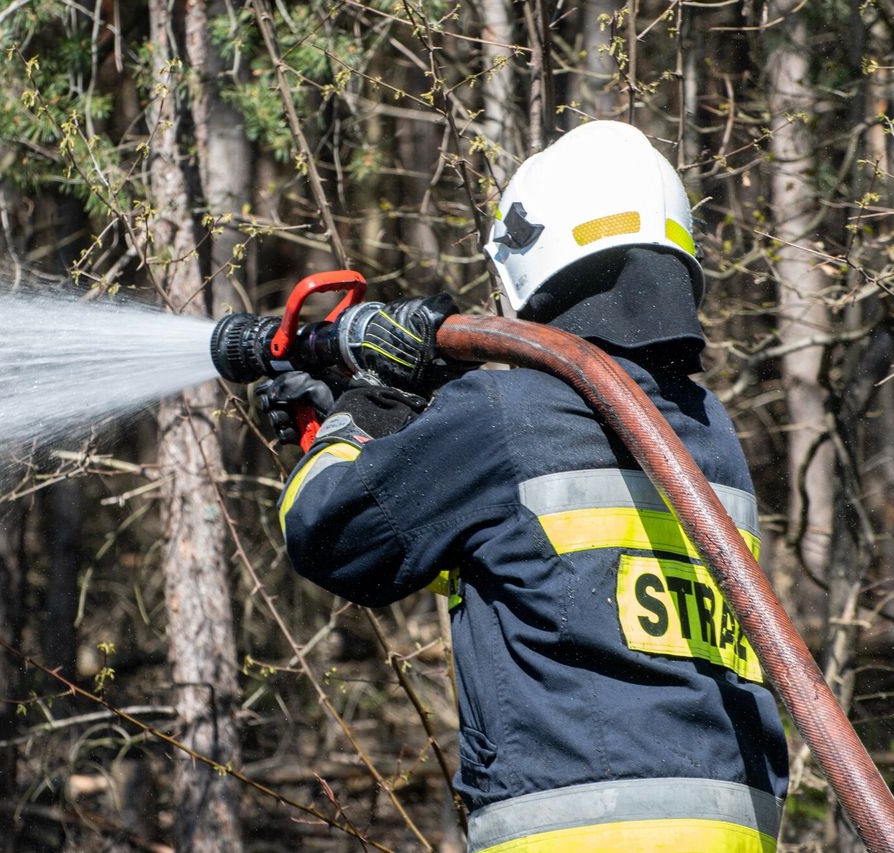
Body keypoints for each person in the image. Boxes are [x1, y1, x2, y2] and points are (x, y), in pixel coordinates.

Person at [259, 120, 789, 852]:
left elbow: (328, 533)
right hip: (735, 827)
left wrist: (360, 415)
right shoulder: (710, 432)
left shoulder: (505, 419)